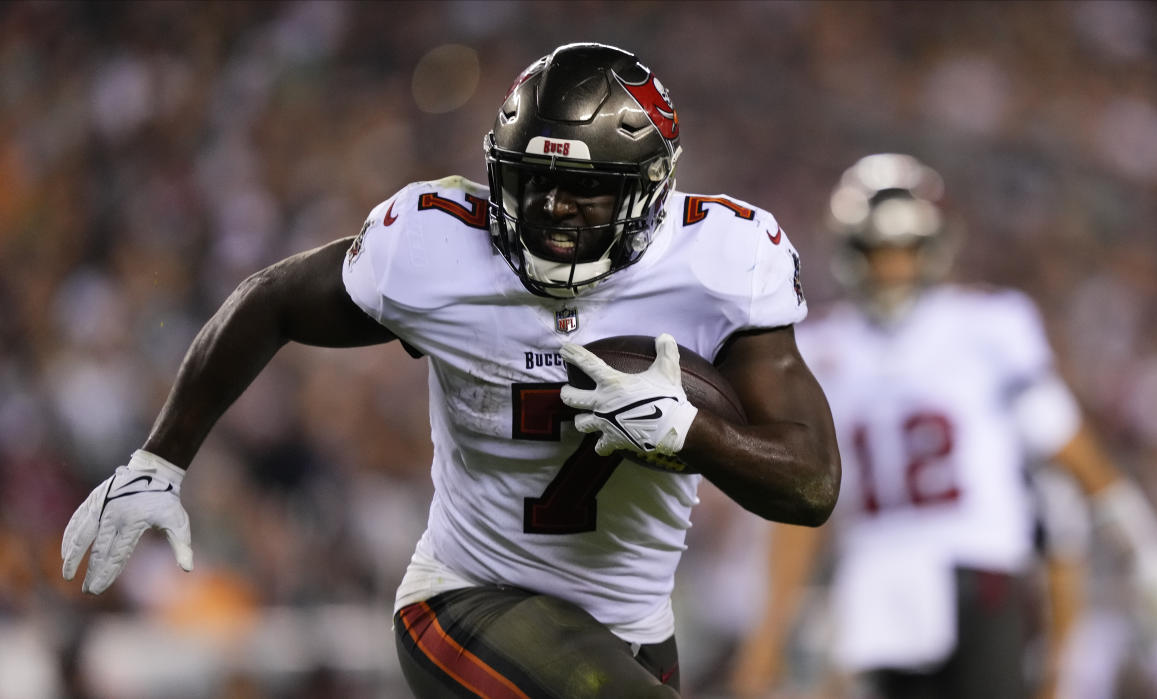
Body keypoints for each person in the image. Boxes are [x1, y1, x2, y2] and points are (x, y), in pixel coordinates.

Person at [59, 43, 840, 698]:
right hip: (467, 598)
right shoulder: (434, 246)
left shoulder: (721, 261)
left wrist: (690, 432)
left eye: (586, 191)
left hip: (633, 626)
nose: (553, 208)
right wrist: (158, 461)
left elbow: (811, 484)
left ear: (648, 191)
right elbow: (271, 301)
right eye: (534, 180)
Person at [731, 154, 1157, 699]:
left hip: (975, 566)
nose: (892, 268)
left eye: (905, 251)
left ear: (933, 248)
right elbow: (803, 510)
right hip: (878, 578)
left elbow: (1074, 458)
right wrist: (767, 632)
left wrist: (1147, 557)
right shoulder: (825, 350)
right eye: (878, 252)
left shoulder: (988, 327)